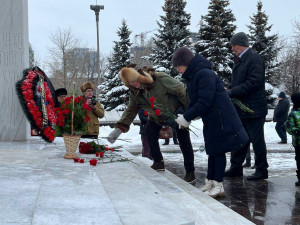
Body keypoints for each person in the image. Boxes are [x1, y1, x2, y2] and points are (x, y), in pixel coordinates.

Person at [172, 47, 249, 198]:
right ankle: (211, 181)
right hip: (212, 119)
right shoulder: (195, 76)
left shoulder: (204, 74)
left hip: (221, 118)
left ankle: (218, 185)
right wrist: (186, 115)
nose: (177, 70)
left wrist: (187, 117)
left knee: (218, 151)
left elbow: (205, 101)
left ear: (185, 63)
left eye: (178, 66)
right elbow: (195, 102)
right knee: (212, 150)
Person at [107, 66, 196, 184]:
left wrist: (187, 114)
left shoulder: (159, 79)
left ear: (140, 77)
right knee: (149, 131)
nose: (133, 84)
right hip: (156, 116)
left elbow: (181, 90)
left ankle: (190, 172)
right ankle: (158, 162)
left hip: (175, 114)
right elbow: (131, 110)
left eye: (134, 80)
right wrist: (119, 129)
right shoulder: (135, 91)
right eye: (130, 82)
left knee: (184, 140)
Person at [225, 32, 269, 181]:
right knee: (239, 139)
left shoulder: (254, 58)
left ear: (242, 44)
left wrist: (232, 92)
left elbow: (254, 82)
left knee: (256, 141)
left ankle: (262, 169)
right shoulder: (239, 60)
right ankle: (236, 168)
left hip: (254, 109)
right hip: (241, 108)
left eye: (234, 46)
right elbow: (238, 81)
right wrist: (229, 88)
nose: (232, 48)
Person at [285, 93, 300, 186]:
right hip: (298, 142)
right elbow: (288, 125)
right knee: (299, 160)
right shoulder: (293, 113)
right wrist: (296, 131)